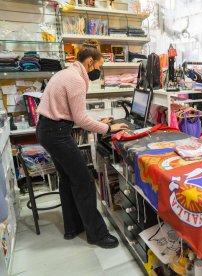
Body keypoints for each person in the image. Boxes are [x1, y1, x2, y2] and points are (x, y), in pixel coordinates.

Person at [36, 40, 128, 248]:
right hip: (57, 133)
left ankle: (73, 227)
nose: (99, 71)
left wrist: (98, 122)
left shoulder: (64, 73)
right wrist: (108, 128)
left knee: (68, 178)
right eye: (99, 67)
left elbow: (75, 115)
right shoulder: (76, 80)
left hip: (47, 130)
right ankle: (97, 234)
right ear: (89, 62)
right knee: (85, 181)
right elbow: (80, 119)